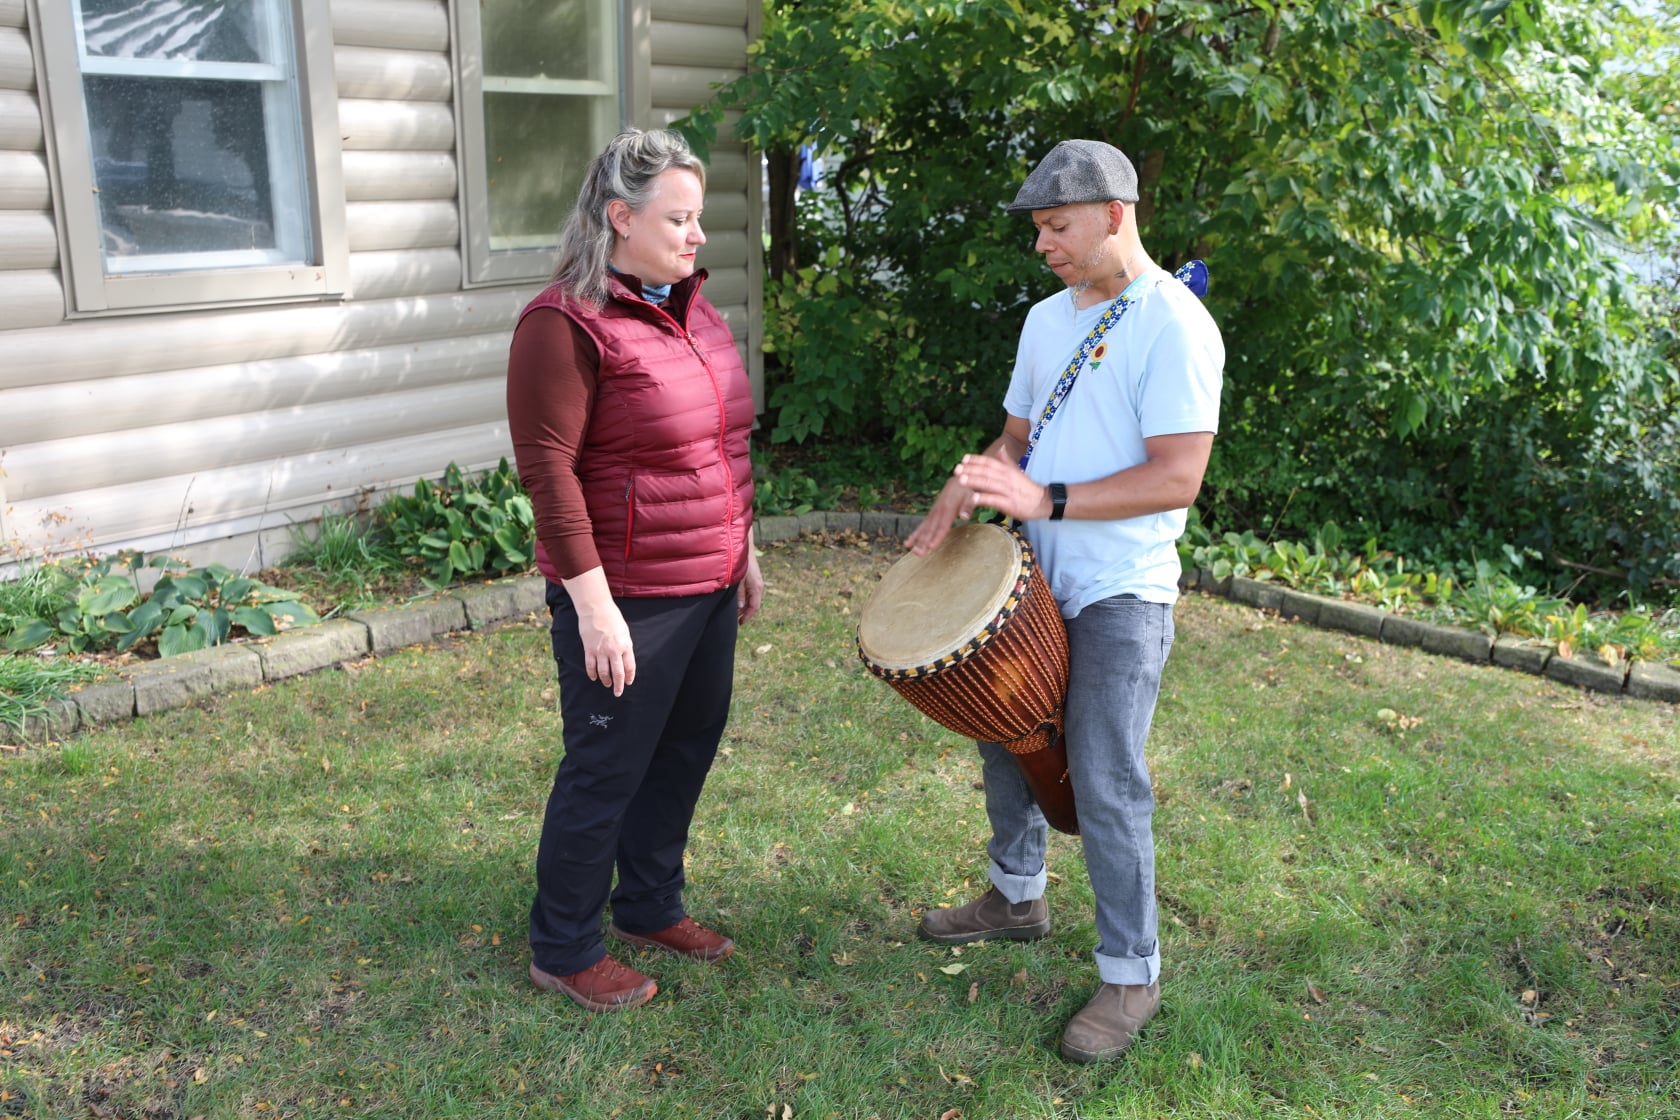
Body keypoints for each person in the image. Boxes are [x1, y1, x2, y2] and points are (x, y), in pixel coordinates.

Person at [905, 139, 1223, 1063]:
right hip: (1031, 580)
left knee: (1106, 775)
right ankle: (1016, 896)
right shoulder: (1046, 321)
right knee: (1003, 732)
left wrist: (1048, 500)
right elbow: (1015, 438)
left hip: (1123, 588)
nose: (1044, 245)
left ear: (1116, 215)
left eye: (1058, 227)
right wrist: (964, 488)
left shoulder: (1176, 326)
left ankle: (1132, 976)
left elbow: (1178, 476)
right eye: (1039, 230)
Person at [505, 127, 762, 1013]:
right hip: (627, 594)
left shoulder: (694, 307)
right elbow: (549, 472)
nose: (697, 237)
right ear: (620, 217)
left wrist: (745, 551)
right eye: (679, 220)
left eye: (698, 221)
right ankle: (564, 946)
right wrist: (595, 610)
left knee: (683, 751)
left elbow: (723, 442)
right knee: (606, 766)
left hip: (710, 580)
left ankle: (649, 906)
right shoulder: (563, 324)